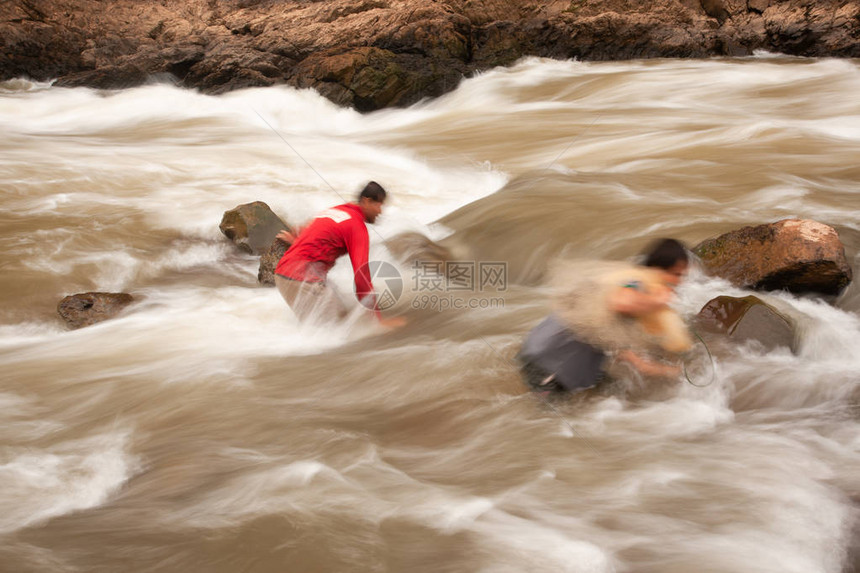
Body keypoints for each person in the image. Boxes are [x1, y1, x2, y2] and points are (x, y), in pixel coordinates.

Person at [517, 239, 690, 394]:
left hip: (538, 349)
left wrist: (670, 370)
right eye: (676, 274)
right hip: (550, 365)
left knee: (609, 386)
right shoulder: (637, 282)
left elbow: (629, 356)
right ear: (658, 269)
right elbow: (622, 302)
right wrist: (656, 300)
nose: (679, 281)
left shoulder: (624, 281)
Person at [274, 181, 405, 327]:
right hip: (301, 280)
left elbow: (307, 230)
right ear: (367, 201)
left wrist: (295, 240)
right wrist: (378, 322)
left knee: (342, 314)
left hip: (285, 273)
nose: (380, 211)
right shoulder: (356, 227)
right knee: (334, 330)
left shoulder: (337, 210)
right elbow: (362, 277)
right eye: (379, 205)